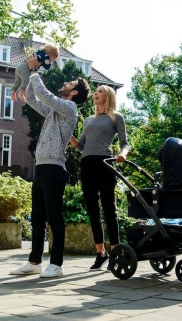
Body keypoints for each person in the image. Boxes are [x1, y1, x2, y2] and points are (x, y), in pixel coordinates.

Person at [9, 55, 91, 278]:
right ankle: (34, 261)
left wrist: (36, 71)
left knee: (54, 217)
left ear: (73, 93)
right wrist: (26, 76)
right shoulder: (54, 111)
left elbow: (44, 94)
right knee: (37, 217)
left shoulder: (69, 109)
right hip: (42, 166)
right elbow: (32, 98)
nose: (65, 84)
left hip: (55, 169)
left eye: (69, 84)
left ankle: (57, 264)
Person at [69, 85, 130, 271]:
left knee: (109, 208)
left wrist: (123, 154)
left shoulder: (116, 117)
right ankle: (100, 253)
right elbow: (81, 146)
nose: (95, 94)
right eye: (95, 92)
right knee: (93, 211)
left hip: (105, 163)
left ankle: (115, 253)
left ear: (108, 96)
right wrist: (68, 136)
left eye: (100, 92)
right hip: (86, 164)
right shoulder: (88, 120)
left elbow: (125, 143)